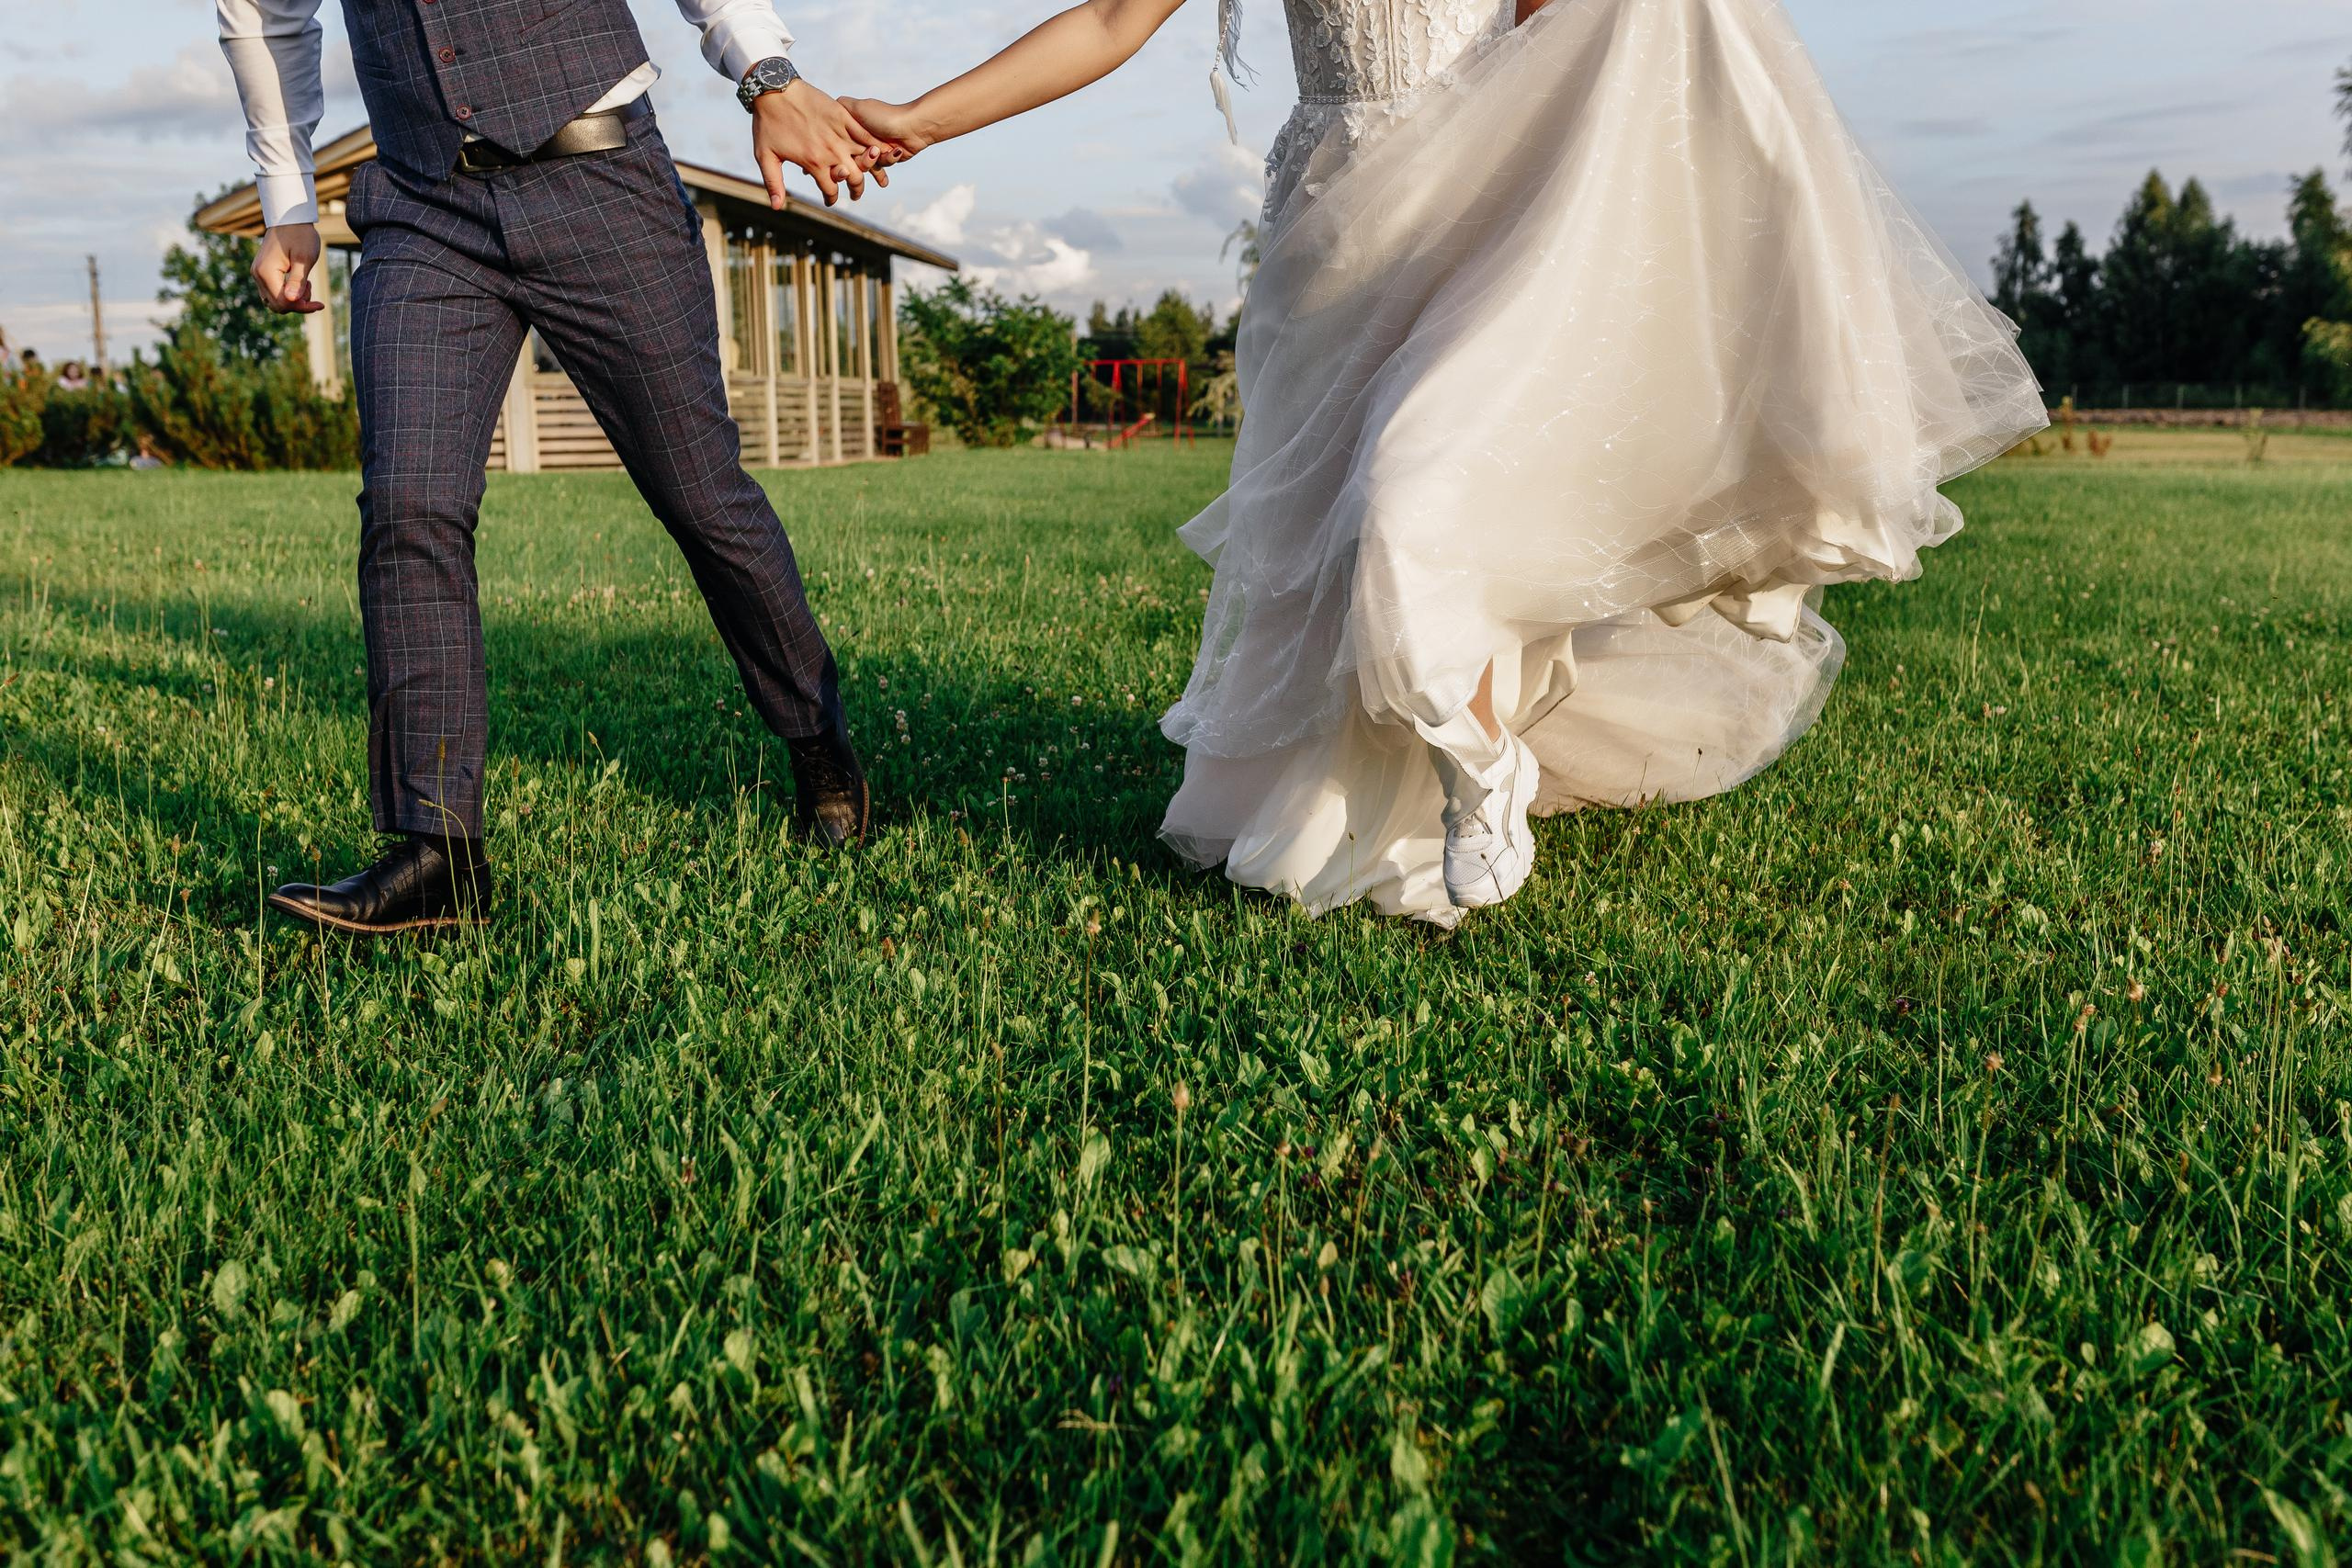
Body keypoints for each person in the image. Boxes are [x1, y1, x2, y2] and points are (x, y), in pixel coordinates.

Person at [843, 0, 2045, 923]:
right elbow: (1111, 18)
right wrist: (921, 120)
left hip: (1498, 210)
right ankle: (1393, 796)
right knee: (1331, 529)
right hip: (1339, 233)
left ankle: (1479, 773)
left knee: (1423, 485)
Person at [219, 0, 899, 936]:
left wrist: (764, 76)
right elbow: (265, 16)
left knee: (702, 496)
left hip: (601, 177)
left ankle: (817, 741)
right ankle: (437, 849)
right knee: (410, 506)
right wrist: (288, 201)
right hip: (422, 206)